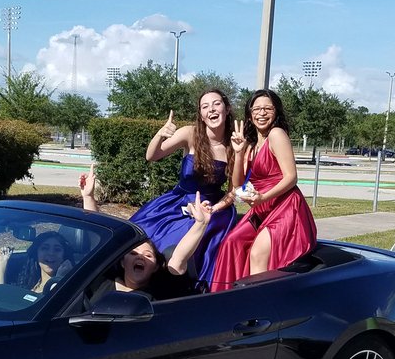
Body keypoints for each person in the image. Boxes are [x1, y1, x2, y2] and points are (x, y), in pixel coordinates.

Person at [128, 88, 239, 287]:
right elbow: (152, 156)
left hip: (212, 207)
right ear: (201, 115)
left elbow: (234, 190)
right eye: (205, 106)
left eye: (216, 104)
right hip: (177, 200)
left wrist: (214, 209)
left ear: (227, 108)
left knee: (181, 253)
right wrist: (160, 135)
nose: (211, 110)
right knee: (137, 241)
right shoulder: (190, 133)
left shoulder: (234, 144)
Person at [209, 88, 317, 291]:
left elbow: (291, 177)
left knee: (258, 253)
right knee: (231, 243)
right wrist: (239, 153)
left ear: (276, 112)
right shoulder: (250, 144)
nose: (261, 113)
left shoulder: (277, 135)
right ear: (250, 113)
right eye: (257, 108)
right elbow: (238, 184)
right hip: (262, 209)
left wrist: (263, 197)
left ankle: (259, 309)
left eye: (268, 108)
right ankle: (229, 297)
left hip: (286, 208)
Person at [81, 167, 209, 302]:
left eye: (148, 255)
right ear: (123, 262)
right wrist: (88, 197)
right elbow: (99, 238)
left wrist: (200, 224)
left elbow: (178, 260)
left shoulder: (159, 292)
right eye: (133, 253)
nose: (140, 257)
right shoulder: (103, 280)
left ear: (155, 267)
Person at [0, 231, 75, 294]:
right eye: (45, 248)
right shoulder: (27, 282)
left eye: (57, 249)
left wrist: (61, 278)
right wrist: (2, 262)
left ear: (64, 255)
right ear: (36, 254)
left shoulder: (71, 287)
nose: (51, 253)